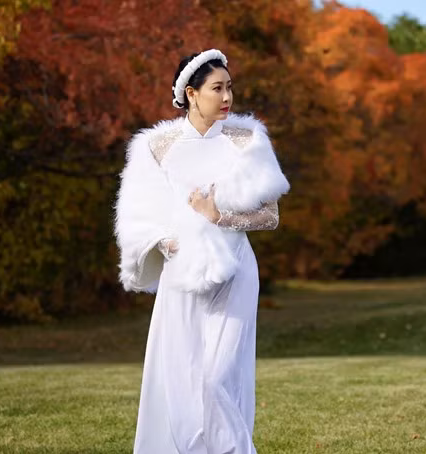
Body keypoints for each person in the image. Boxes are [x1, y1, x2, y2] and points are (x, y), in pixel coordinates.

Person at [114, 49, 290, 454]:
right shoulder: (156, 147)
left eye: (230, 87)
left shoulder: (247, 140)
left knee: (217, 378)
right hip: (182, 274)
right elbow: (137, 216)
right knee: (182, 379)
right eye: (217, 88)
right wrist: (165, 242)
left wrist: (217, 216)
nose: (227, 97)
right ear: (191, 93)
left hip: (236, 270)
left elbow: (270, 216)